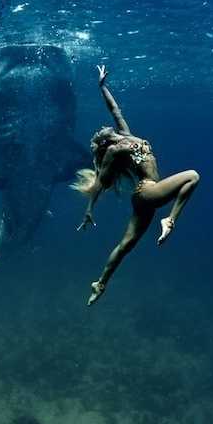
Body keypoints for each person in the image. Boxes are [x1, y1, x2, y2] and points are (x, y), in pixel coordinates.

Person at [71, 65, 199, 305]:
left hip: (146, 197)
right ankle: (170, 220)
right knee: (192, 176)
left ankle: (100, 283)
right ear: (103, 141)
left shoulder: (126, 135)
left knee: (125, 245)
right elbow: (100, 182)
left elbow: (114, 109)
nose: (100, 128)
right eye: (99, 133)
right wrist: (89, 208)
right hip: (147, 191)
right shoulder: (114, 151)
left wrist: (102, 86)